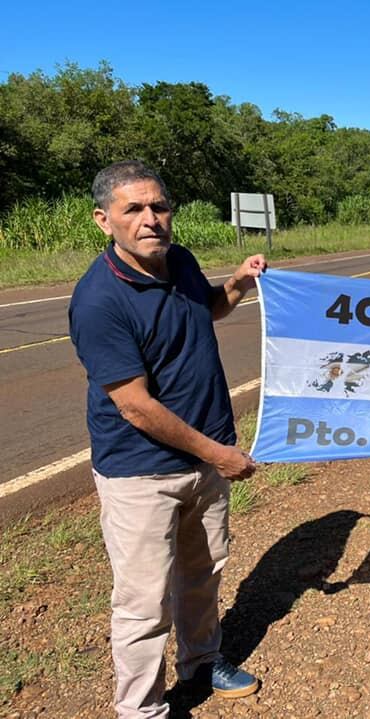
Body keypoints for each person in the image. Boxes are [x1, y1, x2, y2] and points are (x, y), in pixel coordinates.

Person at [68, 160, 266, 718]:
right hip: (142, 472)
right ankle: (142, 708)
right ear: (104, 220)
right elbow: (134, 406)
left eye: (159, 206)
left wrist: (239, 283)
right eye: (134, 209)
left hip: (204, 462)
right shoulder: (99, 300)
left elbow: (207, 309)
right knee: (143, 601)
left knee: (203, 573)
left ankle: (202, 661)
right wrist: (218, 453)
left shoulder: (177, 260)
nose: (150, 219)